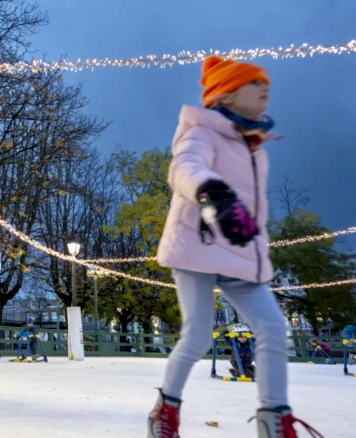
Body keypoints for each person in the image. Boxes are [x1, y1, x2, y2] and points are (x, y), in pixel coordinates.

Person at [147, 56, 321, 437]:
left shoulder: (254, 147)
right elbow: (184, 167)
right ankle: (166, 408)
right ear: (227, 93)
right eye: (254, 82)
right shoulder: (201, 132)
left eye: (266, 84)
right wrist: (213, 193)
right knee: (196, 334)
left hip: (239, 249)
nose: (265, 88)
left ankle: (274, 419)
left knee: (274, 328)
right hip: (198, 244)